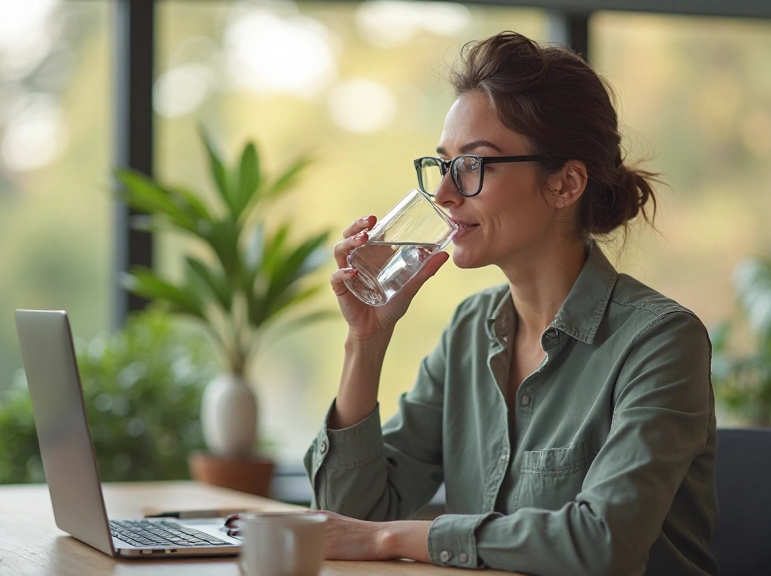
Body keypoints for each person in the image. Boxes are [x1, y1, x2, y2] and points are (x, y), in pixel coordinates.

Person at [305, 31, 718, 576]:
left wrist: (393, 538)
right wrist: (366, 341)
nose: (446, 195)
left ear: (565, 183)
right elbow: (345, 521)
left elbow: (602, 543)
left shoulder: (661, 341)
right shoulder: (469, 330)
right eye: (443, 165)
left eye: (475, 165)